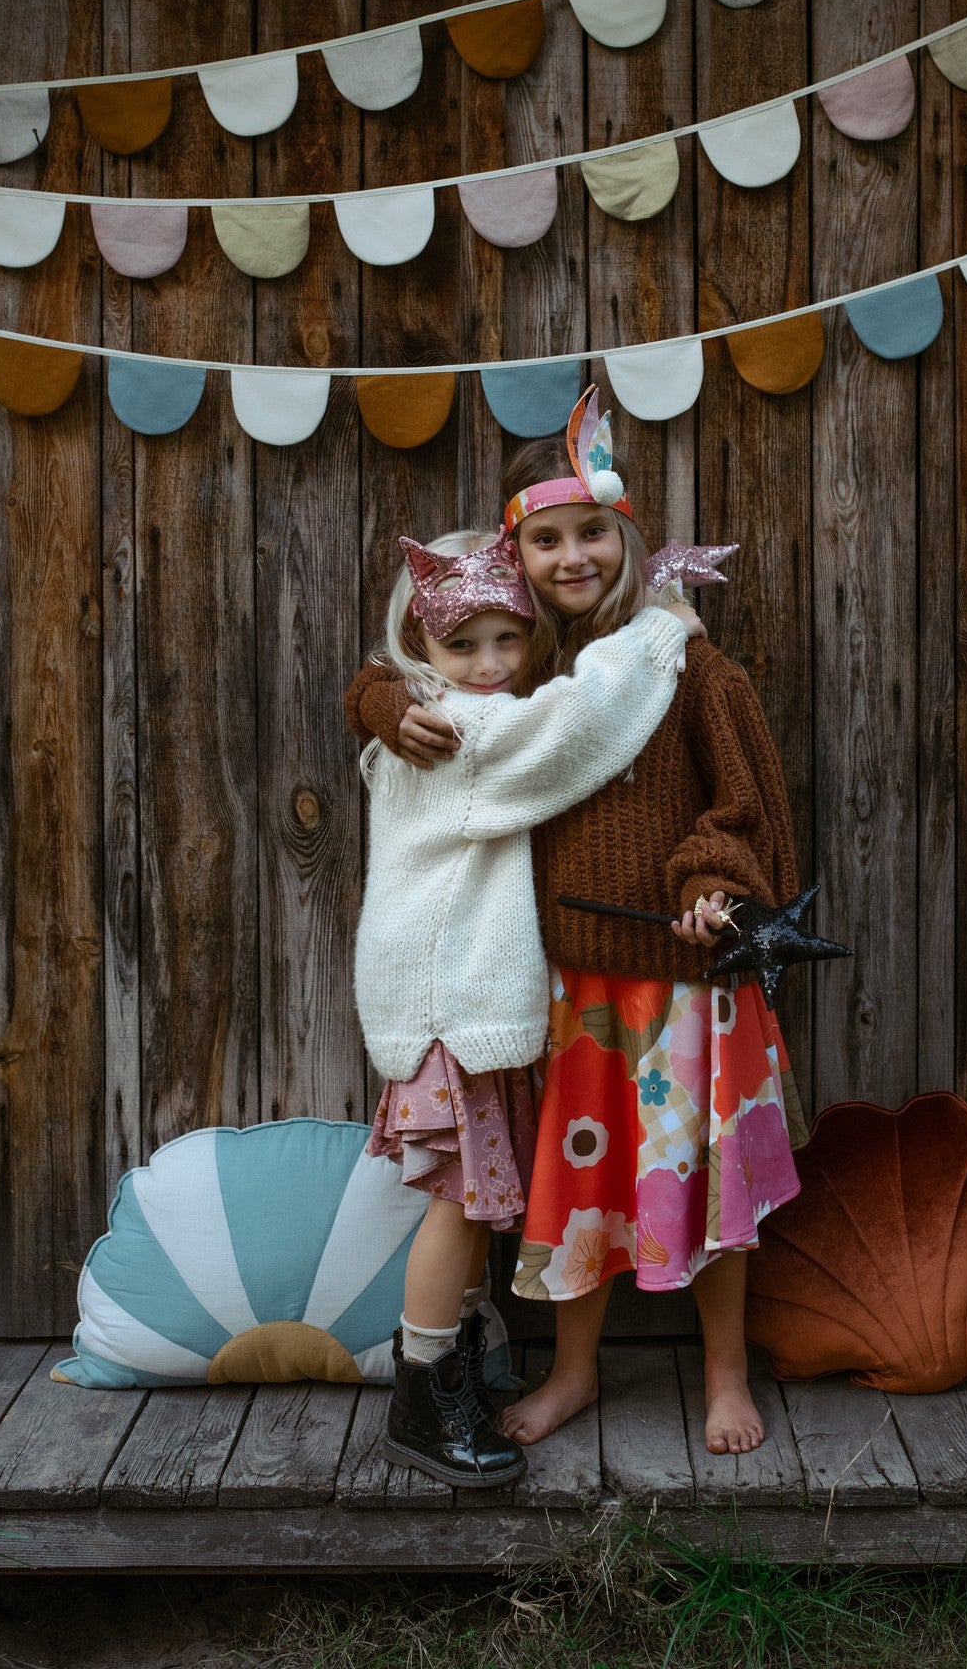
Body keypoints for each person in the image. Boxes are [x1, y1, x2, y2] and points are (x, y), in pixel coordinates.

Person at [352, 393, 808, 1457]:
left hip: (688, 976)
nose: (573, 556)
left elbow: (745, 805)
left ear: (627, 535)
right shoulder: (523, 670)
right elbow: (411, 674)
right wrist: (373, 702)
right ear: (513, 560)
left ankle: (725, 1373)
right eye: (546, 540)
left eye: (592, 532)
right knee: (583, 1193)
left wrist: (710, 881)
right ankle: (574, 1370)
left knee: (711, 1188)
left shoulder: (687, 664)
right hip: (569, 982)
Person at [346, 523, 699, 1489]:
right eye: (463, 644)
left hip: (460, 1002)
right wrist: (659, 628)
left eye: (509, 637)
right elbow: (576, 724)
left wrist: (374, 691)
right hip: (449, 1004)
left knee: (471, 1203)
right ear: (420, 645)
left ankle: (453, 1364)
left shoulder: (438, 710)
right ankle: (422, 1398)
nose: (492, 662)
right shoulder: (453, 732)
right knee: (459, 1208)